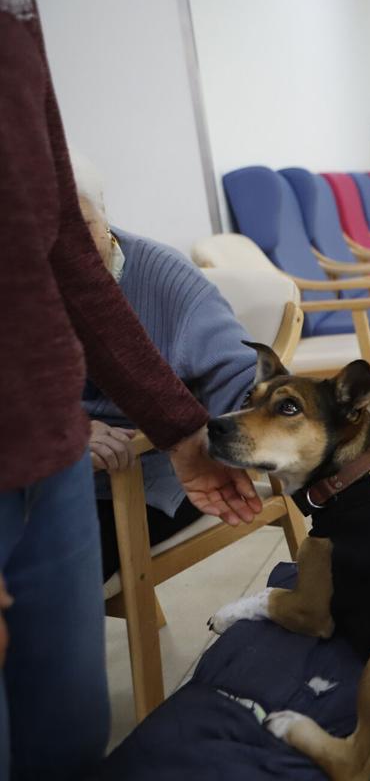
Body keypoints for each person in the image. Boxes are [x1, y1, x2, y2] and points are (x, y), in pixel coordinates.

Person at [0, 0, 260, 779]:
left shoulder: (17, 2)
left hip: (54, 465)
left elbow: (62, 252)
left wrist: (181, 431)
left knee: (70, 734)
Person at [72, 154, 259, 582]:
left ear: (104, 213)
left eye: (79, 227)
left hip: (146, 476)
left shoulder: (165, 277)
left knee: (35, 582)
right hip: (39, 473)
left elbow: (237, 375)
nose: (67, 250)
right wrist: (70, 425)